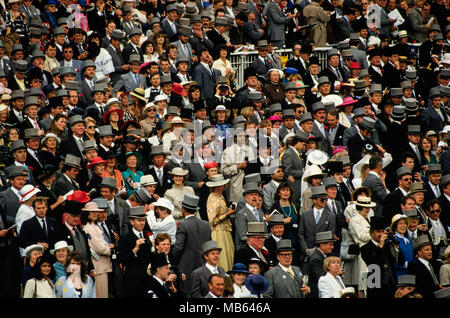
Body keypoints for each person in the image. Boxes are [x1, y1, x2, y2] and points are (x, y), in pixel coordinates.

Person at [172, 194, 212, 294]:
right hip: (203, 266)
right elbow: (209, 247)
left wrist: (171, 257)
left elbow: (178, 247)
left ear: (183, 209)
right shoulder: (206, 225)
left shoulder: (183, 225)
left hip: (186, 268)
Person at [118, 206, 153, 298]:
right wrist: (135, 248)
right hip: (133, 279)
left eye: (143, 220)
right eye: (139, 220)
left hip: (147, 276)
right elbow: (123, 260)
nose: (142, 223)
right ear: (132, 222)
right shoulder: (125, 238)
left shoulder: (148, 235)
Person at [81, 201, 112, 298]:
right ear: (87, 213)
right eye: (92, 212)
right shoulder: (88, 228)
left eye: (96, 211)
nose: (95, 214)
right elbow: (100, 248)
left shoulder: (94, 227)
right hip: (97, 266)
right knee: (99, 294)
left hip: (102, 266)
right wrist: (110, 249)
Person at [361, 216, 397, 298]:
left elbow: (397, 261)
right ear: (371, 233)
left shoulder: (387, 245)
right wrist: (380, 246)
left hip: (390, 283)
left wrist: (396, 248)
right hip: (375, 284)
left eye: (382, 231)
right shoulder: (365, 248)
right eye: (378, 232)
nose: (381, 234)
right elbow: (373, 263)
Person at [206, 174, 235, 272]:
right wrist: (227, 214)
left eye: (222, 185)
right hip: (218, 233)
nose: (221, 187)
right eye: (218, 186)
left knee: (229, 256)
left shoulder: (221, 196)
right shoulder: (213, 198)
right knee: (222, 259)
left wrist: (227, 218)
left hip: (225, 230)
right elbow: (212, 220)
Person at [308, 231, 336, 298]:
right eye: (330, 245)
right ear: (322, 245)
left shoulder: (324, 256)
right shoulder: (316, 259)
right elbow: (322, 277)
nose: (332, 247)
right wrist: (335, 272)